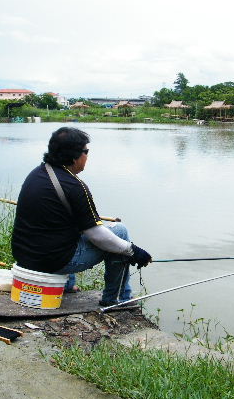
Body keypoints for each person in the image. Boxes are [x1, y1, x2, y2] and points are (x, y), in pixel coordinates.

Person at [11, 127, 152, 307]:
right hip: (52, 261)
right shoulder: (75, 186)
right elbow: (97, 236)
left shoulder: (37, 173)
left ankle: (67, 286)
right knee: (121, 233)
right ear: (74, 156)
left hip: (24, 256)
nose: (87, 156)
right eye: (86, 152)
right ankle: (117, 299)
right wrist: (133, 251)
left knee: (68, 230)